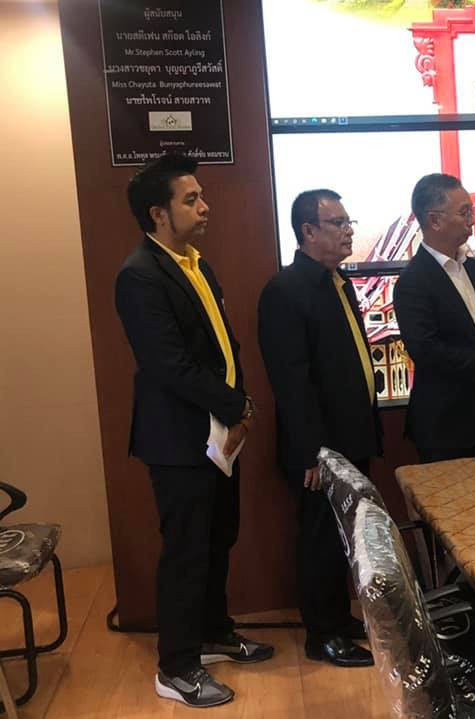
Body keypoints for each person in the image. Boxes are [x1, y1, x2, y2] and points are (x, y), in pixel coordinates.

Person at [115, 154, 273, 709]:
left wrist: (236, 408)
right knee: (185, 551)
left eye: (201, 196)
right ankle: (176, 667)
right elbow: (169, 366)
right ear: (158, 213)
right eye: (191, 199)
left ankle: (212, 633)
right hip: (179, 439)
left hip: (219, 432)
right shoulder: (139, 275)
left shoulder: (195, 263)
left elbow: (223, 346)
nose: (205, 206)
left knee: (218, 537)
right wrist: (239, 406)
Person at [257, 189, 378, 668]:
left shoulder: (337, 282)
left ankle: (339, 618)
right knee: (320, 539)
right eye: (338, 223)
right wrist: (311, 451)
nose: (348, 231)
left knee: (345, 537)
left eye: (349, 222)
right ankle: (321, 635)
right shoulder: (285, 291)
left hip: (351, 436)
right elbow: (291, 380)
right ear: (308, 231)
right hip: (319, 447)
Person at [394, 173, 475, 462]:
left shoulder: (470, 267)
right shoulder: (413, 281)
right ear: (435, 220)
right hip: (444, 424)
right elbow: (425, 350)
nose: (472, 221)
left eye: (471, 212)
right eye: (464, 213)